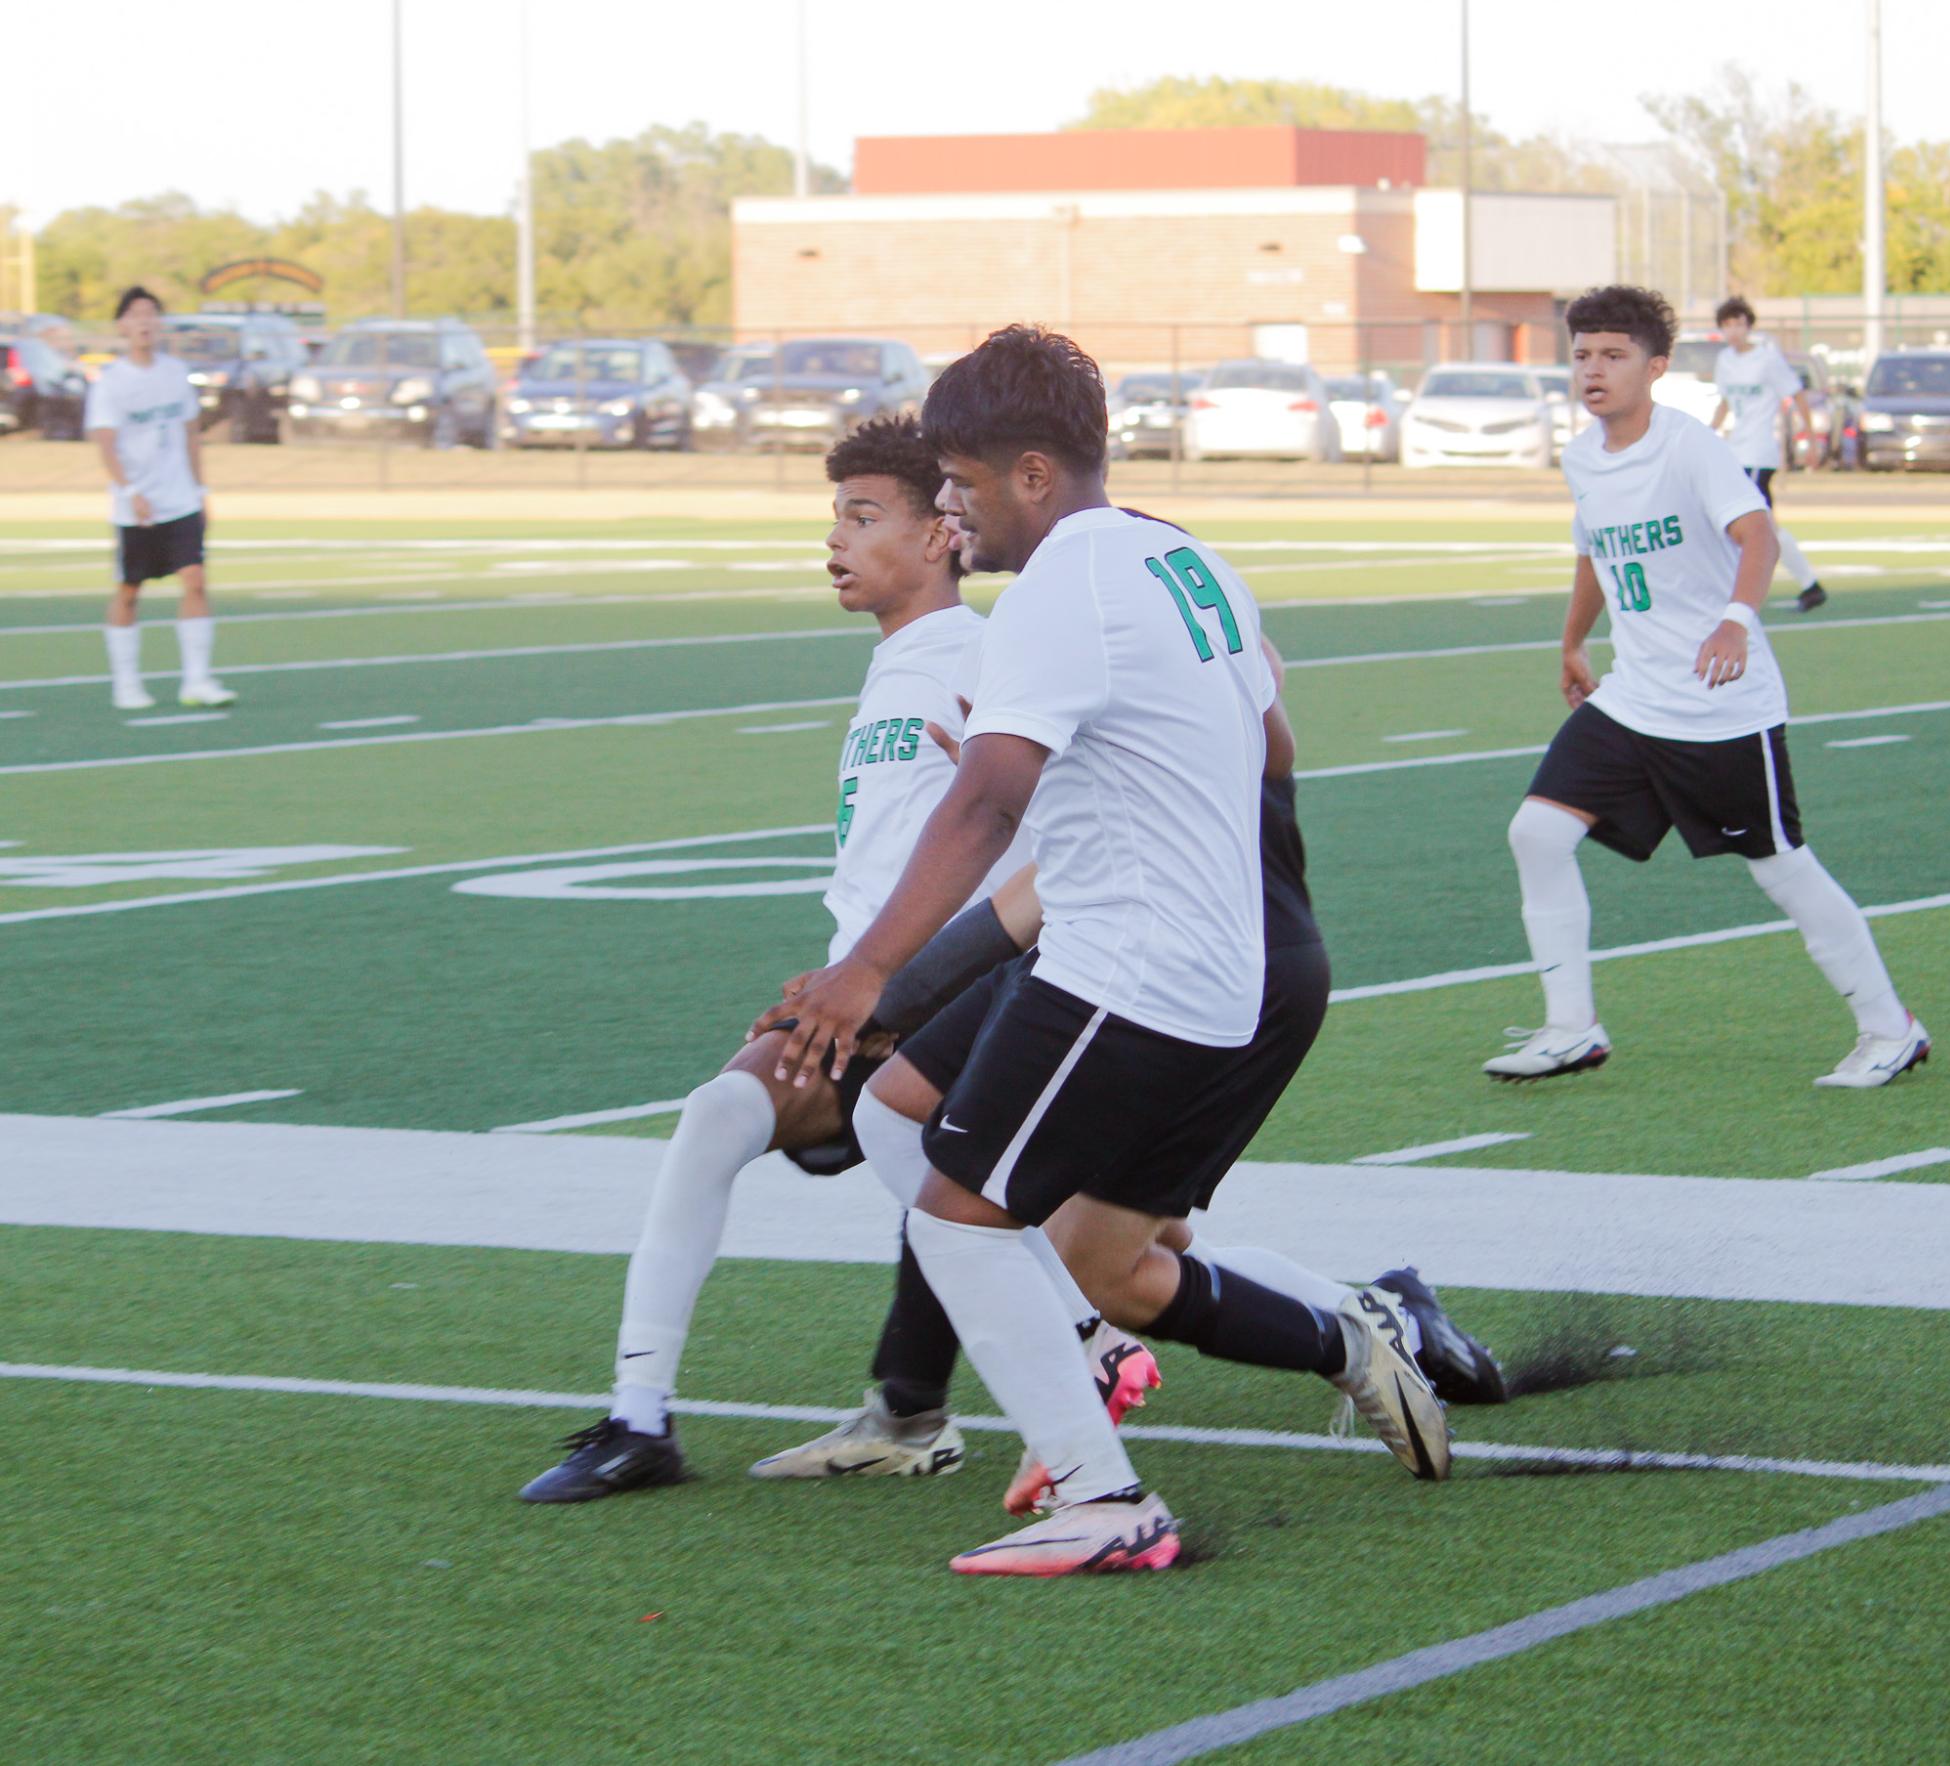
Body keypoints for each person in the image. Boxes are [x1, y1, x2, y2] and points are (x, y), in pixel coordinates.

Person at [755, 326, 1448, 1578]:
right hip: (1190, 957)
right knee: (955, 1161)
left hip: (1132, 965)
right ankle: (1150, 1381)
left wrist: (866, 972)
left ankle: (1104, 1489)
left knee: (962, 1215)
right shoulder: (1181, 554)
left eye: (960, 483)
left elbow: (985, 802)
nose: (951, 511)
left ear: (1031, 473)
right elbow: (1275, 747)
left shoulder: (1060, 587)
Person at [753, 632, 1506, 1508]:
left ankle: (1230, 1368)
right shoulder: (1125, 686)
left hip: (1192, 985)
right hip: (1097, 968)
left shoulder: (1144, 702)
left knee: (1092, 1261)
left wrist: (882, 990)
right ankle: (1333, 1323)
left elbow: (1022, 881)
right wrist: (880, 999)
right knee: (910, 1116)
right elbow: (1027, 894)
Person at [519, 414, 1028, 1503]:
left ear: (943, 531)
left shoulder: (988, 663)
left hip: (971, 1009)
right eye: (832, 517)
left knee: (1121, 1259)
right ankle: (639, 1418)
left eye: (862, 516)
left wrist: (903, 984)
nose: (835, 540)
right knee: (719, 1113)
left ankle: (1350, 1328)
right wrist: (844, 974)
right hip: (868, 1006)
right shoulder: (901, 665)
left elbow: (1017, 849)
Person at [1486, 286, 1928, 1090]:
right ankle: (1570, 1027)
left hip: (1720, 703)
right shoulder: (1581, 456)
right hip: (1632, 696)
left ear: (1654, 368)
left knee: (1779, 866)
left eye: (1613, 355)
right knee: (1536, 834)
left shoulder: (1690, 447)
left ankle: (1887, 1027)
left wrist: (1734, 620)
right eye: (1581, 354)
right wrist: (1572, 639)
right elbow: (1594, 556)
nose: (1592, 369)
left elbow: (1755, 533)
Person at [85, 287, 235, 712]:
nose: (144, 322)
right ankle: (127, 684)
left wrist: (200, 490)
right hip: (137, 504)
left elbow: (190, 434)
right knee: (130, 590)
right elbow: (106, 444)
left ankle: (197, 680)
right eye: (135, 315)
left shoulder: (174, 372)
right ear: (122, 326)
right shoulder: (112, 382)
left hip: (180, 497)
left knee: (195, 579)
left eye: (151, 314)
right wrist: (130, 491)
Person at [1711, 296, 1827, 613]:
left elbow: (1796, 395)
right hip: (1735, 452)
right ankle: (1810, 587)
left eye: (1739, 323)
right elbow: (1725, 402)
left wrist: (1812, 441)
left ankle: (1791, 586)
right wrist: (1709, 435)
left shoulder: (1766, 359)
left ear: (1748, 326)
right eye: (1727, 325)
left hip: (1759, 453)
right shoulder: (1725, 361)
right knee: (1753, 524)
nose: (1733, 331)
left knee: (1752, 524)